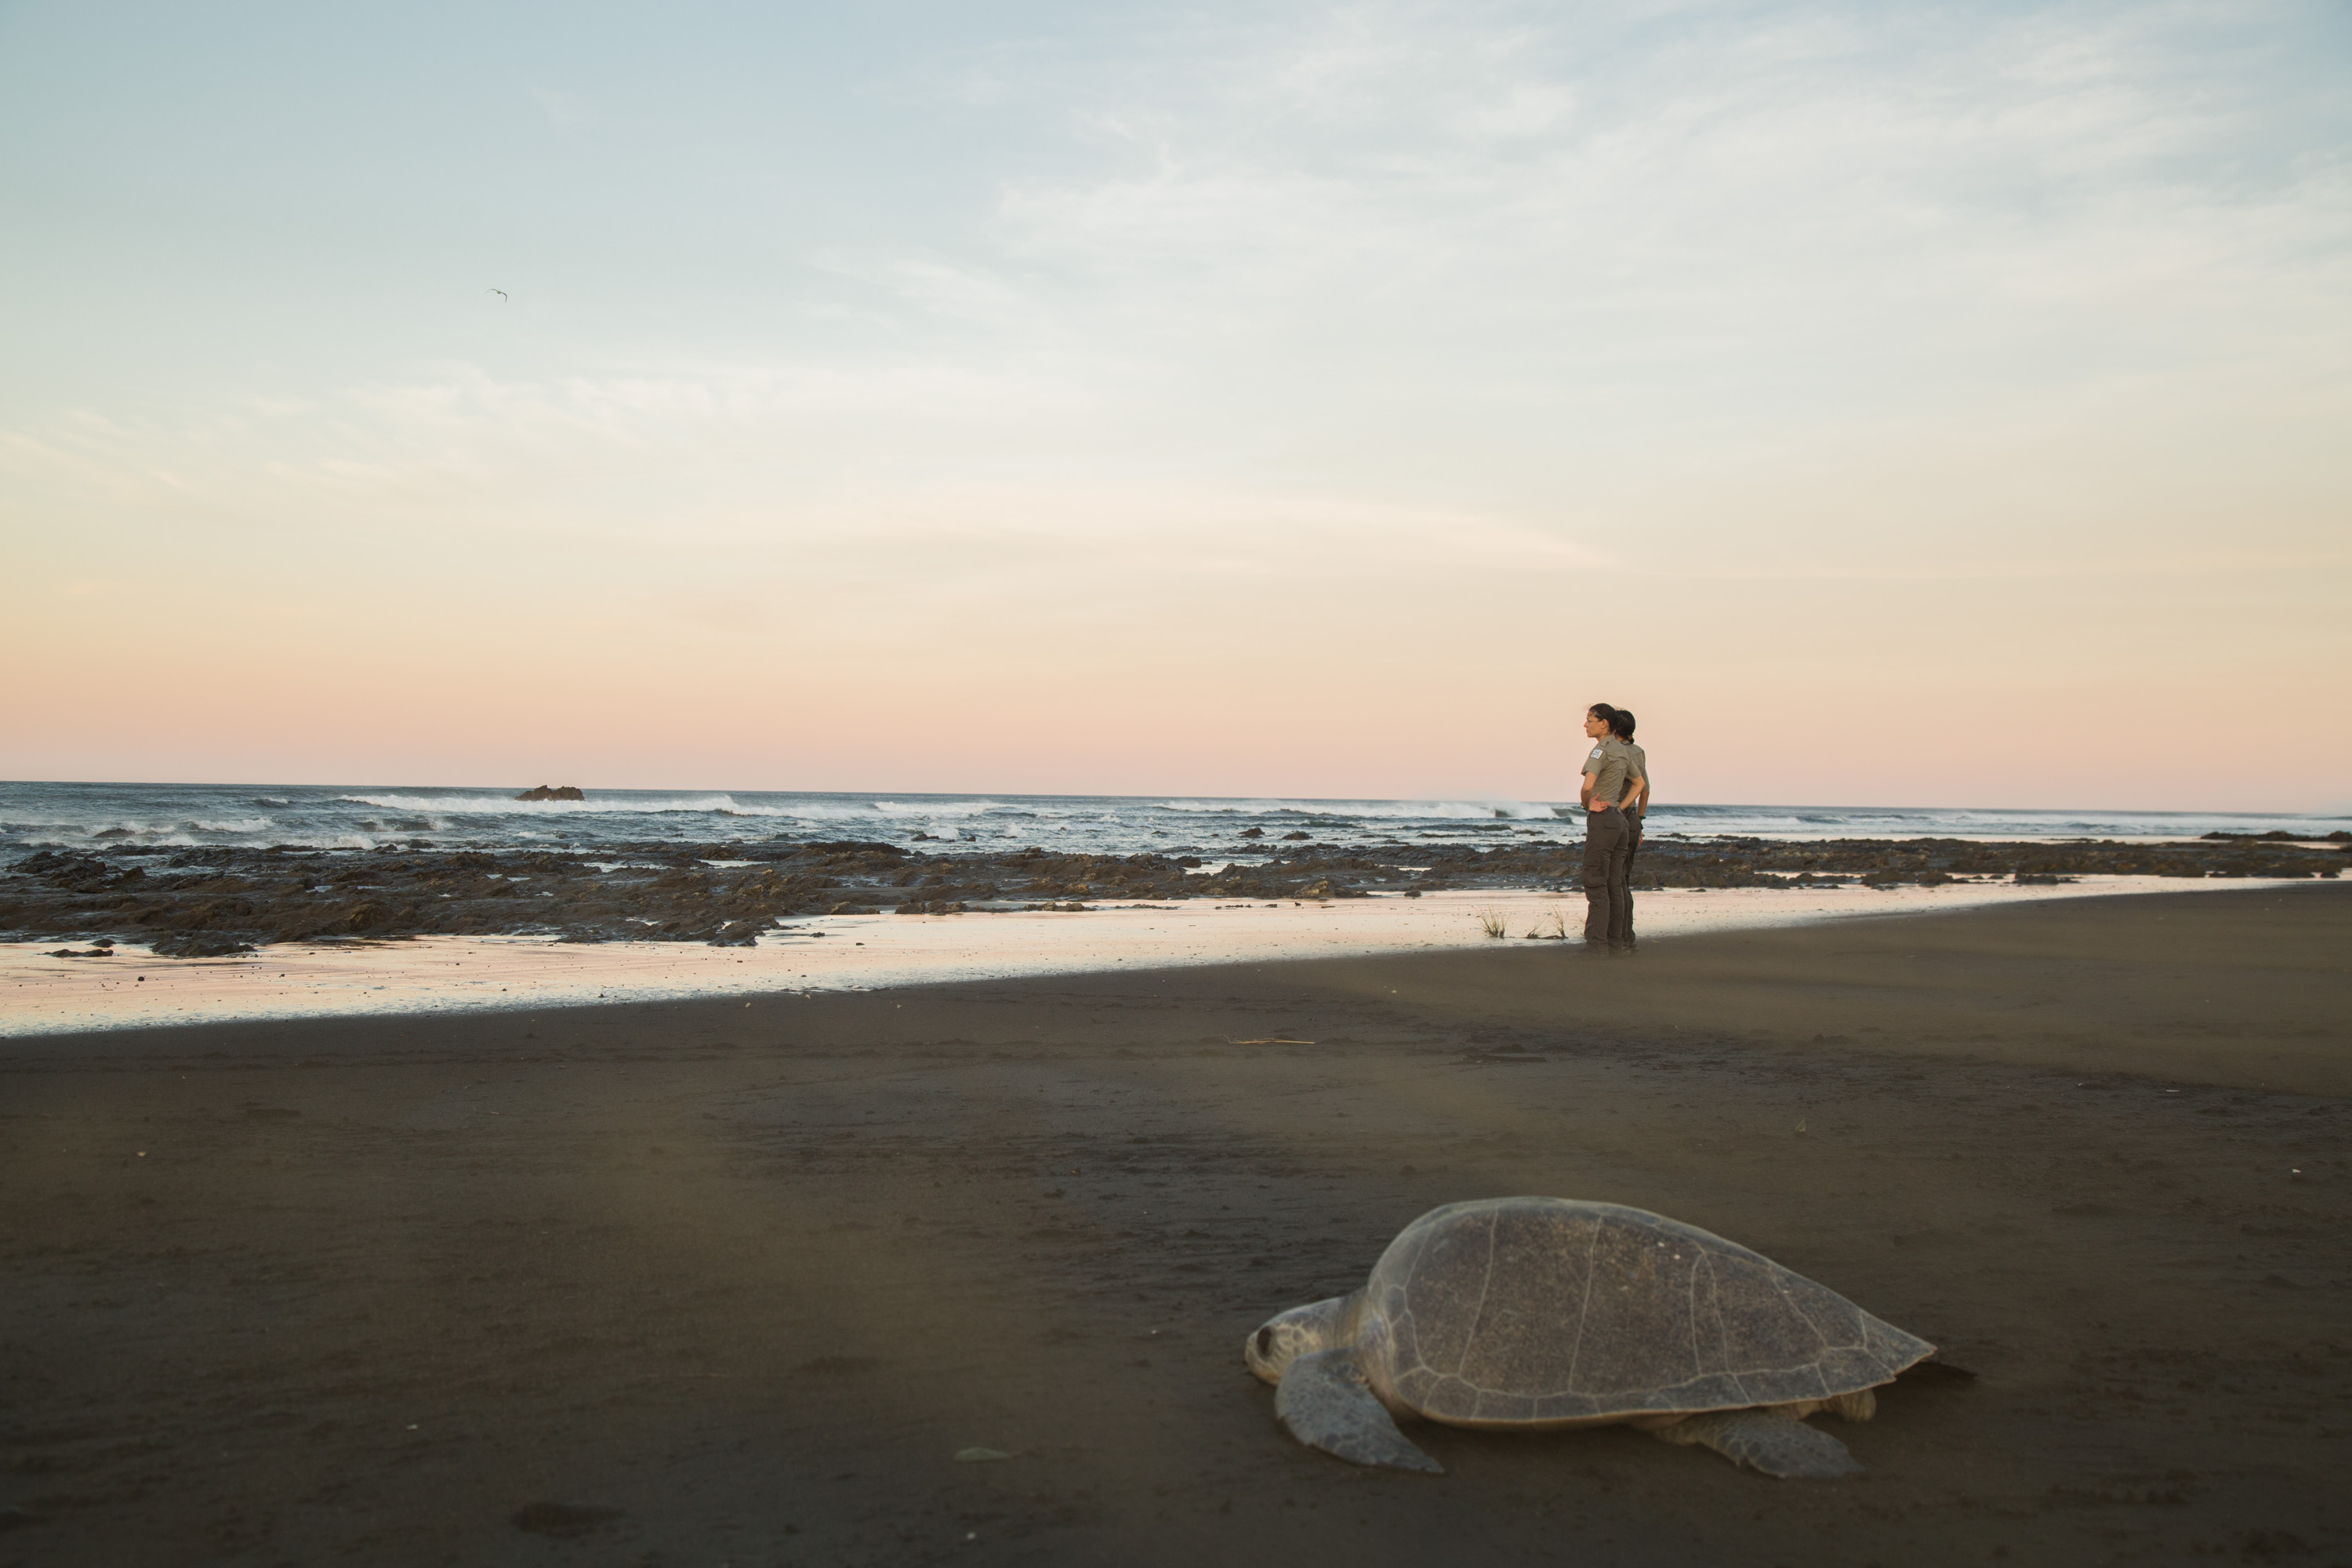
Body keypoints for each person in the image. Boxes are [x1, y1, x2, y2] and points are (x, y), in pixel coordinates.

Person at [1577, 703, 1643, 954]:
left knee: (1596, 882)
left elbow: (1587, 787)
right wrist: (1620, 806)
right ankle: (1617, 944)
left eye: (1590, 720)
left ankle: (1596, 947)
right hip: (1619, 821)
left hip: (1603, 821)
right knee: (1615, 884)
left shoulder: (1600, 751)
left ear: (1604, 723)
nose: (1586, 725)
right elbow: (1639, 784)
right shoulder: (1623, 751)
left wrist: (1587, 804)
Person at [1609, 708, 1650, 952]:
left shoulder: (1614, 751)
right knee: (1624, 880)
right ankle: (1627, 937)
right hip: (1633, 817)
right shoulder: (1638, 751)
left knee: (1613, 880)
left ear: (1613, 728)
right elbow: (1645, 789)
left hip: (1616, 815)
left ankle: (1616, 938)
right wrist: (1639, 821)